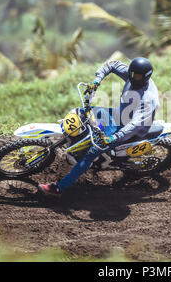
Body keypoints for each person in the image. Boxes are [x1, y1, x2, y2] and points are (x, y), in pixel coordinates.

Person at [38, 57, 160, 196]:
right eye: (130, 73)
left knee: (92, 152)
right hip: (120, 116)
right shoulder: (134, 75)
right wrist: (97, 80)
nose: (131, 77)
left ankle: (59, 188)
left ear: (145, 77)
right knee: (87, 113)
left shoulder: (148, 99)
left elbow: (135, 125)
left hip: (129, 130)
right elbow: (112, 65)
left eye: (136, 76)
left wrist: (114, 137)